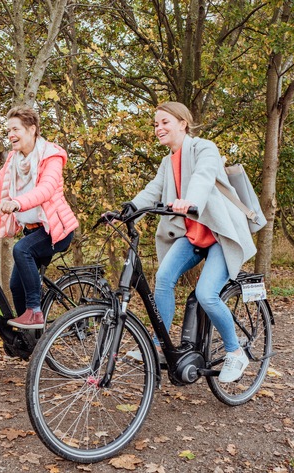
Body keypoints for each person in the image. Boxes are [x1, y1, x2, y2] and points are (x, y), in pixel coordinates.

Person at [126, 101, 257, 382]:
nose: (158, 128)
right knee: (163, 278)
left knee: (206, 294)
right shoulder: (167, 161)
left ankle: (236, 353)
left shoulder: (204, 148)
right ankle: (160, 345)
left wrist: (191, 200)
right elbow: (153, 190)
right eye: (155, 124)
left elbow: (204, 176)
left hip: (220, 236)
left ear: (183, 123)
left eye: (165, 122)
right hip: (195, 236)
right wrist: (129, 209)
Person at [0, 105, 79, 329]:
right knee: (15, 286)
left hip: (55, 229)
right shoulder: (14, 160)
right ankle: (29, 337)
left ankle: (35, 313)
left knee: (22, 249)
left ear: (32, 129)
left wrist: (18, 202)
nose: (11, 134)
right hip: (32, 229)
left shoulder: (51, 155)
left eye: (16, 129)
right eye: (8, 130)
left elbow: (47, 188)